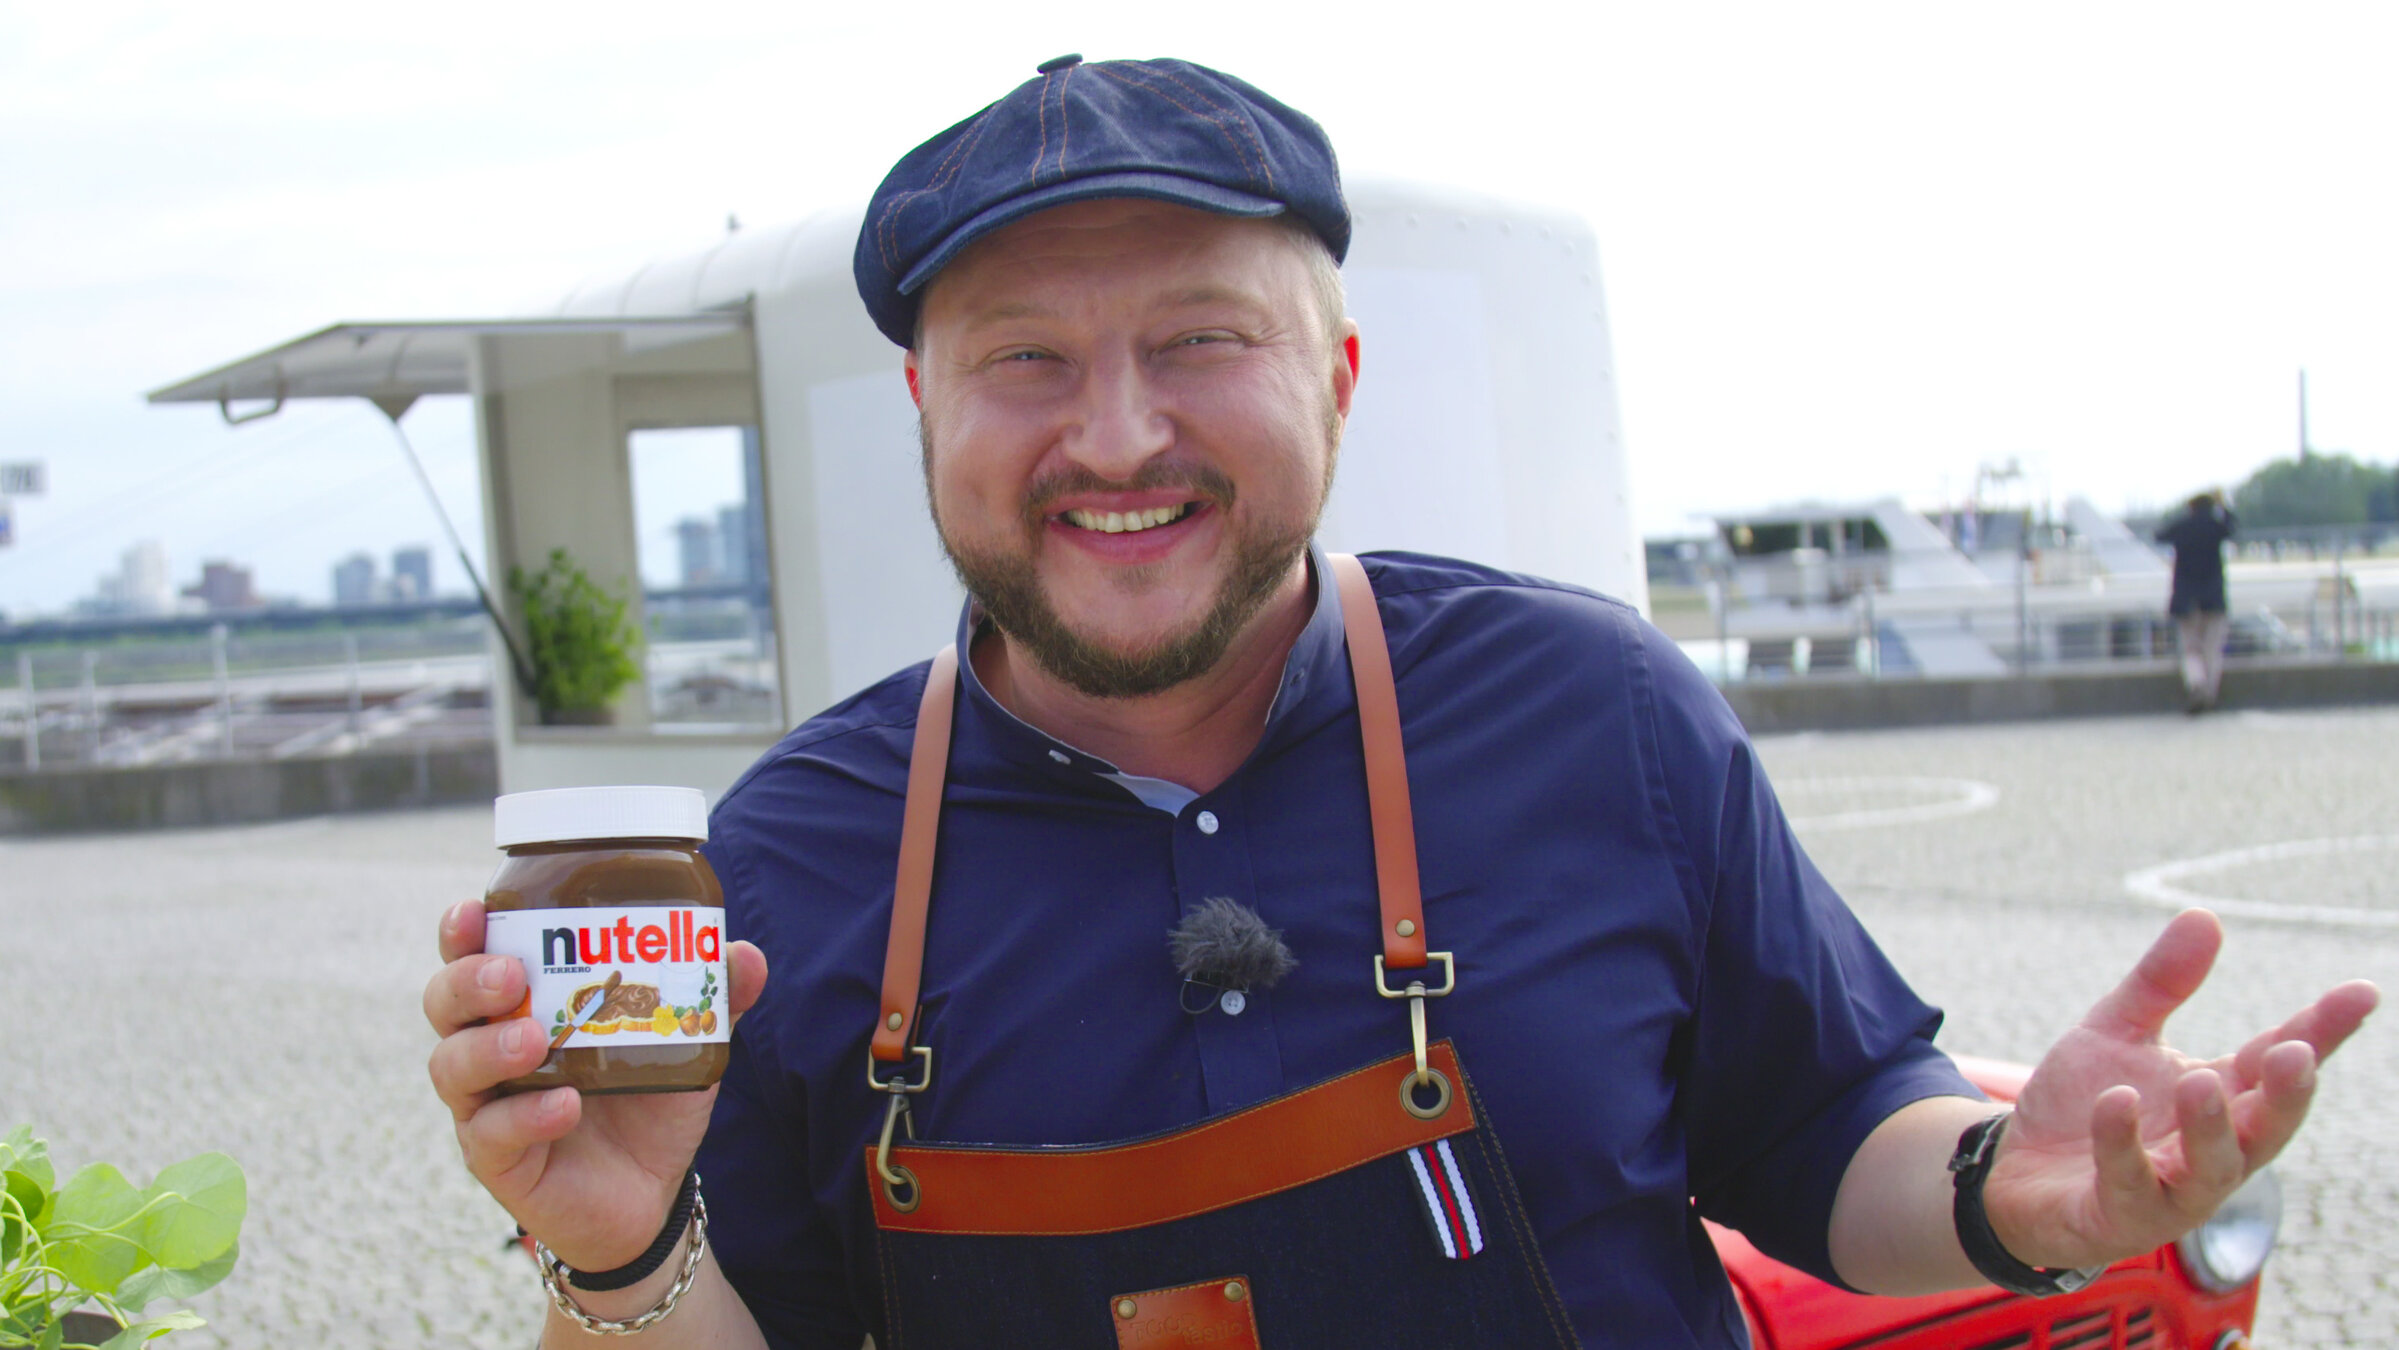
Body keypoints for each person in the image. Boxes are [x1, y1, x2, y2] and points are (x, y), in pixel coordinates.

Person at [423, 58, 2376, 1349]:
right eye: (1024, 360)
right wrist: (613, 1249)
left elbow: (1822, 1128)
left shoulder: (1592, 712)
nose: (1118, 435)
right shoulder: (786, 858)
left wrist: (1998, 1190)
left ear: (1337, 378)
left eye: (1200, 338)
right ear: (922, 411)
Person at [2155, 491, 2238, 712]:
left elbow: (2159, 535)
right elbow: (2232, 527)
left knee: (2191, 649)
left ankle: (2197, 685)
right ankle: (2209, 694)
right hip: (2213, 598)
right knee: (2213, 649)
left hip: (2186, 599)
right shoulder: (2215, 527)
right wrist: (2224, 506)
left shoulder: (2182, 527)